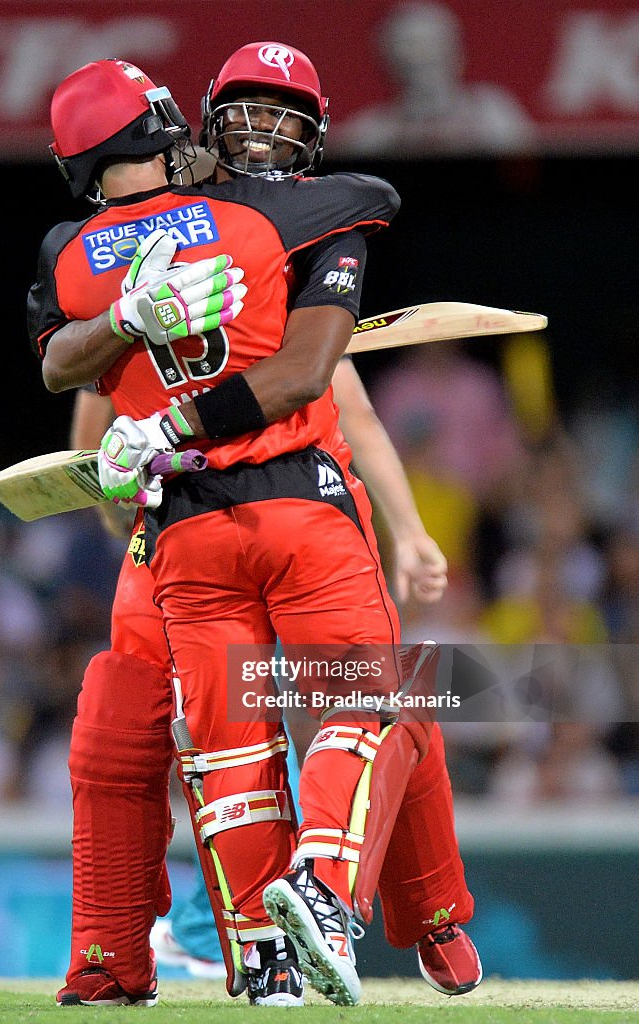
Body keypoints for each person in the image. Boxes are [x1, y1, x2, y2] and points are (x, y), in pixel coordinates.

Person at [28, 45, 477, 1007]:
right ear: (186, 121)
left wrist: (408, 527)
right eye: (245, 111)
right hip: (208, 505)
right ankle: (173, 947)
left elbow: (74, 362)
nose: (261, 132)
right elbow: (318, 350)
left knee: (237, 734)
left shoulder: (76, 247)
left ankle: (420, 922)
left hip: (195, 496)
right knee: (155, 729)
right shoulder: (297, 216)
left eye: (282, 114)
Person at [336, 1, 534, 158]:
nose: (418, 59)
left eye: (432, 48)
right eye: (407, 50)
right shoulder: (370, 133)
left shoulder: (494, 114)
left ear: (457, 55)